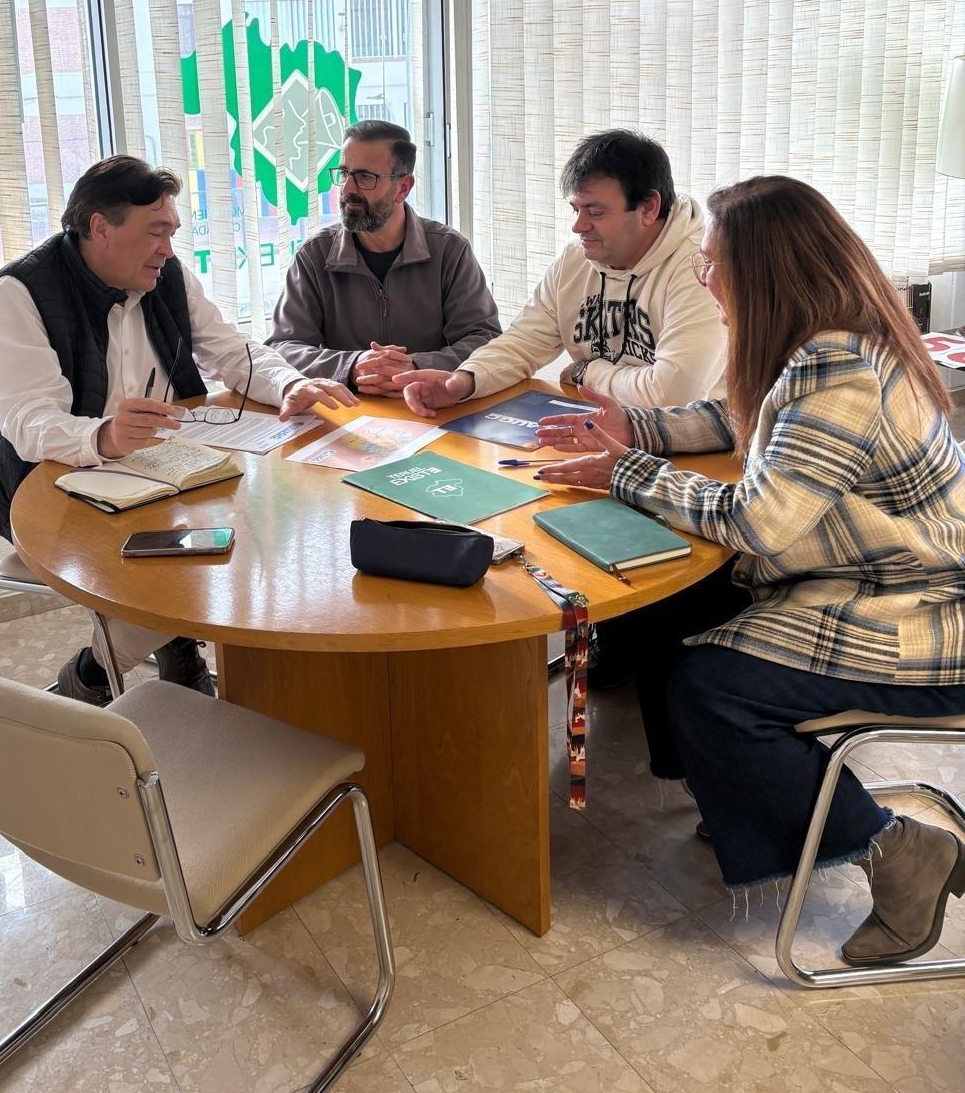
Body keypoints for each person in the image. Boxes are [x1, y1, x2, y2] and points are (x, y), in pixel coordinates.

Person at [534, 175, 965, 966]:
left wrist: (626, 471)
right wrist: (635, 427)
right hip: (877, 577)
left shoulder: (840, 370)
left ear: (763, 273)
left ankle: (902, 855)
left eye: (712, 264)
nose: (703, 279)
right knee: (666, 606)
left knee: (712, 690)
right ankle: (744, 789)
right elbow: (743, 418)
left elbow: (758, 521)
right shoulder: (823, 342)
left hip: (925, 612)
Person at [0, 155, 353, 705]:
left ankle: (163, 652)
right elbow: (26, 421)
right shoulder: (24, 289)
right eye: (156, 232)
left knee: (255, 530)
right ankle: (98, 673)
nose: (168, 250)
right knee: (187, 561)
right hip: (57, 480)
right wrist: (103, 437)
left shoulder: (167, 275)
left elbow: (232, 351)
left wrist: (289, 384)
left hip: (160, 466)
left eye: (172, 233)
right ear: (100, 228)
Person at [397, 129, 726, 419]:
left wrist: (587, 372)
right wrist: (464, 381)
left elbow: (673, 394)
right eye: (576, 209)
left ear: (648, 208)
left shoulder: (701, 267)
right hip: (604, 425)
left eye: (595, 212)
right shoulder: (576, 258)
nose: (578, 226)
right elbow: (524, 342)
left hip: (693, 444)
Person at [268, 120, 501, 395]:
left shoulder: (449, 250)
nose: (347, 189)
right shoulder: (315, 255)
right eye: (344, 174)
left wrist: (415, 366)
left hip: (433, 404)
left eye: (365, 177)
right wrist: (353, 366)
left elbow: (485, 340)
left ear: (403, 187)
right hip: (347, 408)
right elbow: (282, 347)